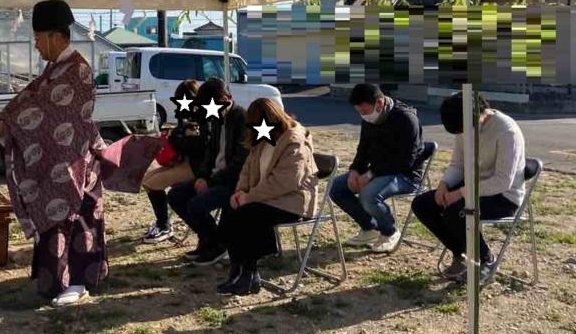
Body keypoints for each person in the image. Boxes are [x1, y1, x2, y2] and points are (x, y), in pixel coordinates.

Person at [0, 0, 110, 307]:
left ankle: (78, 282)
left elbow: (47, 108)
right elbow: (31, 97)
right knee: (53, 220)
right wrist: (4, 118)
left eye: (38, 38)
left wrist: (10, 122)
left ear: (56, 36)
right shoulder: (56, 69)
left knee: (75, 222)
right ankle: (55, 281)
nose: (36, 46)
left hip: (75, 161)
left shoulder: (77, 70)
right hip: (53, 160)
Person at [411, 93, 526, 283]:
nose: (464, 133)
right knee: (423, 204)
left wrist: (460, 193)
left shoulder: (507, 131)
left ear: (479, 113)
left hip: (503, 196)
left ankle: (486, 259)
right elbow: (458, 163)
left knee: (457, 210)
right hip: (472, 187)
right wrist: (444, 185)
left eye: (466, 128)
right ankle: (460, 253)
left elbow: (502, 181)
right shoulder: (464, 128)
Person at [216, 98, 318, 295]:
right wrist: (240, 191)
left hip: (292, 201)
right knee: (231, 209)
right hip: (266, 197)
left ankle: (249, 274)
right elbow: (247, 167)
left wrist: (249, 197)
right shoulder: (264, 136)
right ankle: (238, 268)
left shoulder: (294, 140)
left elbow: (285, 182)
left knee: (249, 215)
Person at [329, 83, 423, 253]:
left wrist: (371, 174)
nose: (363, 116)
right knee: (336, 187)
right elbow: (363, 149)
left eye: (365, 111)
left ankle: (390, 231)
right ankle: (369, 227)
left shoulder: (406, 119)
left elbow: (405, 161)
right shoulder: (370, 118)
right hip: (377, 172)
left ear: (379, 103)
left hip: (405, 175)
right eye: (359, 112)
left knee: (368, 194)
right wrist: (355, 170)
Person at [167, 77, 248, 266]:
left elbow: (239, 163)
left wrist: (210, 182)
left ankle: (217, 244)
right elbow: (210, 153)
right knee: (176, 196)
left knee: (197, 204)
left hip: (234, 182)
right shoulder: (218, 118)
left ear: (223, 100)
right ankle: (210, 239)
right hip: (213, 177)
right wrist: (202, 176)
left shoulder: (242, 120)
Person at [140, 79, 208, 243]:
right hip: (184, 162)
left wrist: (177, 138)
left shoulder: (203, 115)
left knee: (153, 183)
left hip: (196, 167)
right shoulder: (190, 114)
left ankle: (164, 225)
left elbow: (197, 144)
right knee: (147, 180)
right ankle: (162, 223)